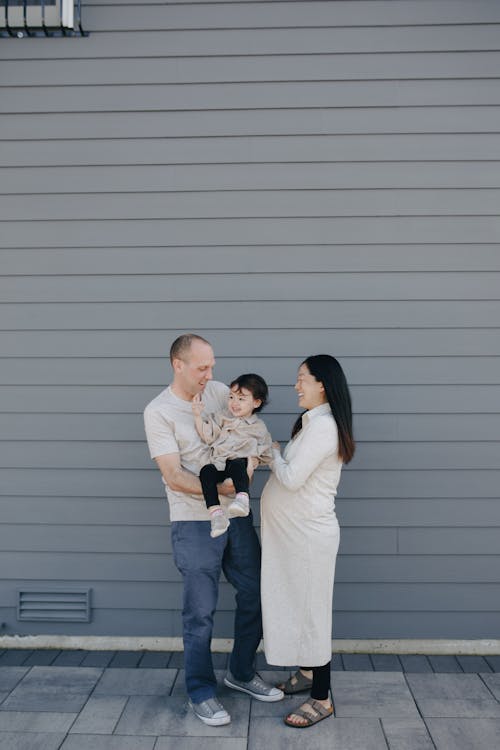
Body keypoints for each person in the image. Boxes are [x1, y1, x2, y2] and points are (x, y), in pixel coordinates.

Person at [143, 334, 283, 727]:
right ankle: (201, 691)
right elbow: (173, 475)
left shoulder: (221, 392)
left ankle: (240, 673)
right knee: (200, 612)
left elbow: (249, 430)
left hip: (236, 518)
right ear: (178, 365)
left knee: (255, 592)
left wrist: (253, 463)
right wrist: (227, 487)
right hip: (194, 521)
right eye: (202, 367)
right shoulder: (159, 411)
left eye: (212, 366)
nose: (210, 375)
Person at [260, 354, 355, 728]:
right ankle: (308, 672)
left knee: (313, 613)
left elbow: (293, 477)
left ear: (323, 384)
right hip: (294, 536)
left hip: (308, 538)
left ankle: (322, 697)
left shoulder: (324, 427)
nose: (296, 385)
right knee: (298, 605)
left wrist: (271, 451)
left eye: (302, 378)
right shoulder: (311, 423)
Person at [192, 373, 273, 538]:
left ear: (256, 402)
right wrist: (197, 415)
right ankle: (216, 515)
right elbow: (207, 435)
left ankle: (242, 499)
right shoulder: (222, 417)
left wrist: (253, 462)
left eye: (241, 399)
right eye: (231, 397)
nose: (234, 403)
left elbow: (264, 451)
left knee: (237, 464)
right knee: (206, 471)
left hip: (239, 466)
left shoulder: (258, 427)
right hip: (220, 464)